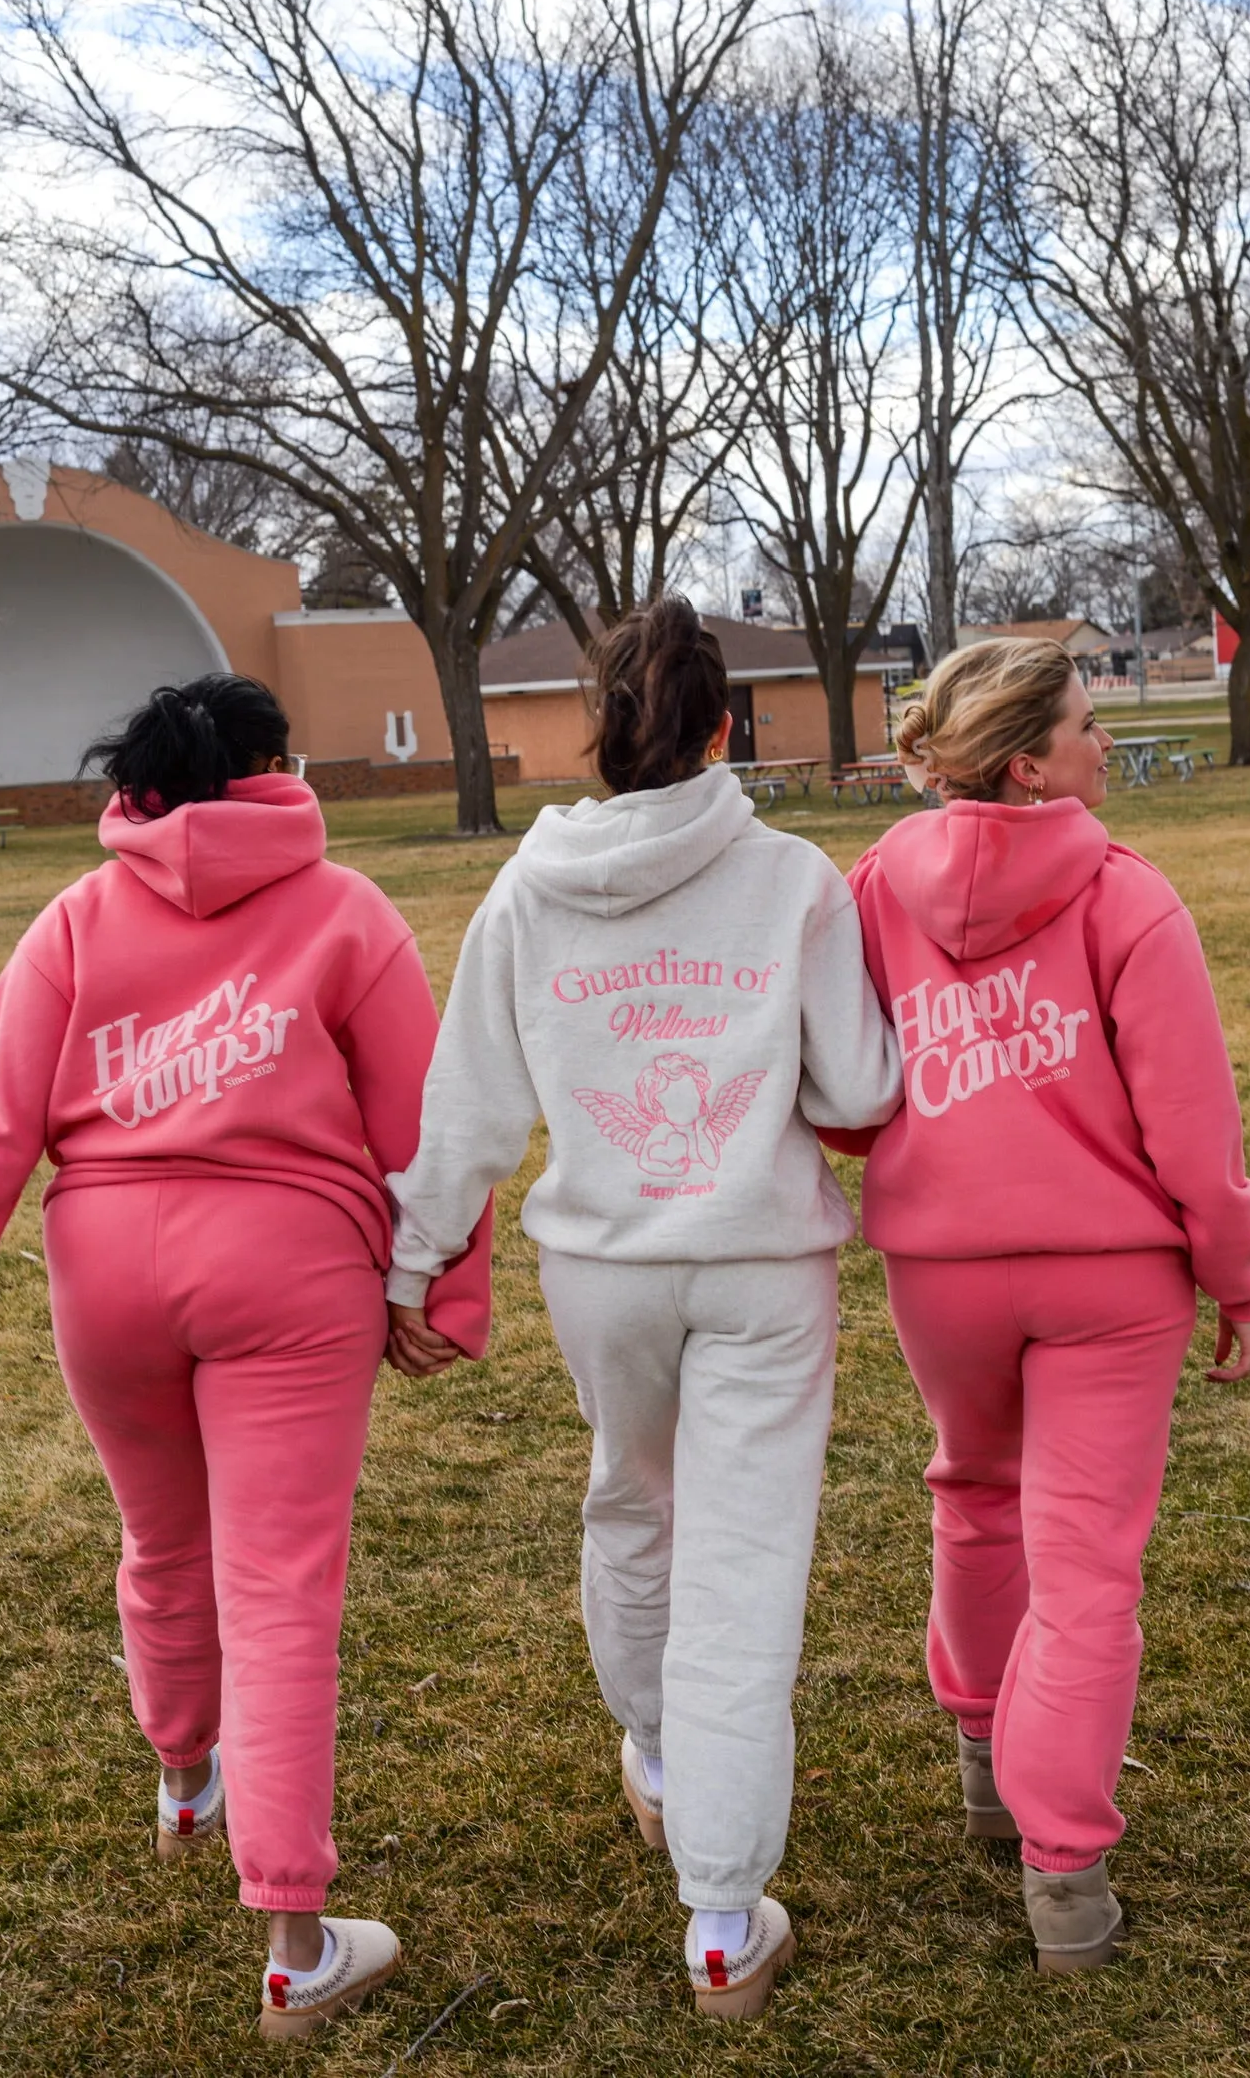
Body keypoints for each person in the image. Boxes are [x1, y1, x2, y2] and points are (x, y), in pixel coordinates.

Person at [0, 675, 490, 2043]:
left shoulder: (76, 918)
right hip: (291, 1275)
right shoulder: (347, 912)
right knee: (278, 1587)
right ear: (273, 768)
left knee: (161, 1543)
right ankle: (294, 1940)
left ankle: (184, 1783)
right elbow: (423, 1134)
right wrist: (441, 1293)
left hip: (108, 1272)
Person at [381, 596, 901, 2020]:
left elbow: (468, 1106)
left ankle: (664, 1761)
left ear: (595, 739)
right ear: (728, 726)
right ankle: (721, 1912)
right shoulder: (794, 879)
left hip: (601, 1268)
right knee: (740, 1566)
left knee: (633, 1501)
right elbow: (859, 1090)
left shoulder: (526, 891)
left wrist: (410, 1260)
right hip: (755, 1265)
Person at [835, 637, 1250, 1975]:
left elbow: (847, 1095)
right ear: (1029, 762)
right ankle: (1065, 1878)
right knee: (1085, 1568)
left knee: (974, 1495)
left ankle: (984, 1761)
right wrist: (1235, 1273)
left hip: (941, 1268)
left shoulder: (868, 895)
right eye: (1088, 725)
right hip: (1107, 1281)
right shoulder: (1130, 899)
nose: (1103, 745)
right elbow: (1191, 1130)